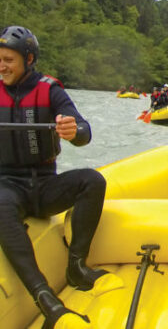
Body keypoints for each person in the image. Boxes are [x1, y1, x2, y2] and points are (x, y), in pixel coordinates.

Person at [0, 26, 108, 328]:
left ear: (29, 59)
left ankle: (76, 266)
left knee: (93, 181)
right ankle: (44, 295)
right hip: (7, 185)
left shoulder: (50, 90)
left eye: (8, 59)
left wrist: (74, 131)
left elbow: (84, 131)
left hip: (45, 185)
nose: (2, 66)